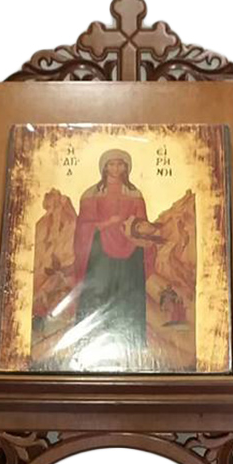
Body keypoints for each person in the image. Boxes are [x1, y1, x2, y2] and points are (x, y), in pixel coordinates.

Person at [68, 149, 159, 365]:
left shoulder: (135, 194)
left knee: (128, 293)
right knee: (98, 291)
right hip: (100, 250)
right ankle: (90, 341)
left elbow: (141, 222)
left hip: (131, 250)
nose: (116, 168)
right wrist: (109, 223)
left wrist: (138, 230)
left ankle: (130, 345)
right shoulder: (91, 193)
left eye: (120, 164)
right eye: (111, 164)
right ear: (104, 167)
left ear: (126, 167)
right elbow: (83, 226)